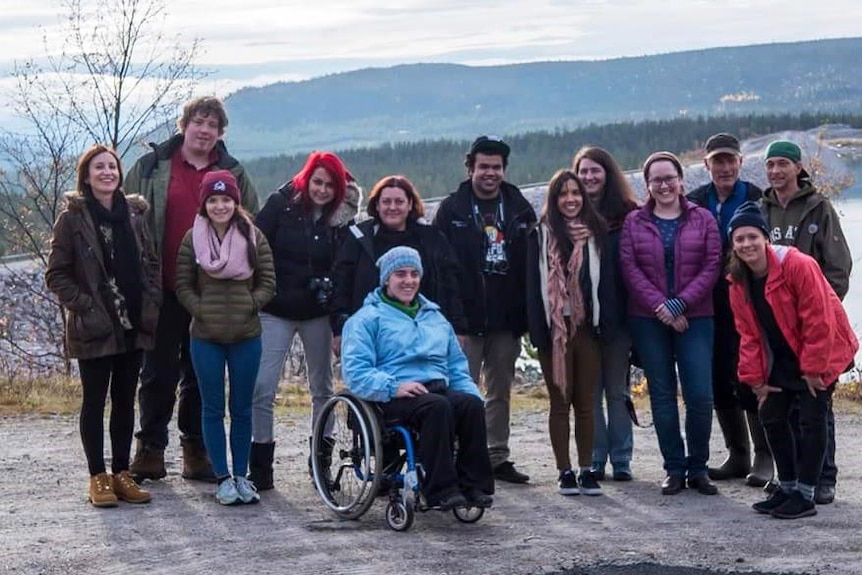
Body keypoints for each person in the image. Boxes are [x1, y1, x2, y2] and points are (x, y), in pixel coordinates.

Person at [127, 96, 259, 482]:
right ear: (184, 125)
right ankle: (150, 448)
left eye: (212, 125)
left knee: (203, 373)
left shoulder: (232, 171)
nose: (205, 130)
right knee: (157, 373)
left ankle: (195, 449)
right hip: (162, 287)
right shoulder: (152, 167)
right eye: (199, 122)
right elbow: (124, 215)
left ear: (220, 132)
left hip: (215, 293)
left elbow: (252, 224)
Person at [46, 145, 161, 507]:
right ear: (87, 175)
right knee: (95, 401)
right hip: (95, 325)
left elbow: (152, 263)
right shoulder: (73, 219)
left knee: (126, 400)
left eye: (112, 166)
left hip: (133, 321)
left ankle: (122, 473)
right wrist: (84, 306)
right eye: (99, 167)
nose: (107, 172)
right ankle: (97, 476)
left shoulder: (135, 215)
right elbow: (56, 274)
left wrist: (151, 301)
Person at [726, 201, 857, 519]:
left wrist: (814, 371)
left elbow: (819, 321)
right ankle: (786, 486)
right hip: (781, 354)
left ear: (765, 237)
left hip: (821, 350)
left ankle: (806, 494)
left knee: (812, 419)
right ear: (733, 244)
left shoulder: (798, 264)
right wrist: (756, 380)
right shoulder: (737, 280)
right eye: (739, 239)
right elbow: (749, 335)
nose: (746, 244)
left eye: (752, 237)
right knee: (771, 415)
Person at [341, 246, 494, 510]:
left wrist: (471, 392)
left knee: (470, 405)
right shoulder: (366, 319)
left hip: (436, 389)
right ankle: (441, 490)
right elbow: (356, 372)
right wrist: (393, 386)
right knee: (437, 407)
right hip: (390, 396)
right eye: (400, 274)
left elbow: (456, 368)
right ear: (386, 279)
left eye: (414, 274)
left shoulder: (435, 317)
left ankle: (473, 486)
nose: (408, 280)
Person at [250, 151, 359, 490]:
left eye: (330, 185)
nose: (323, 190)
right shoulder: (280, 205)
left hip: (317, 312)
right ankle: (261, 467)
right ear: (306, 178)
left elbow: (347, 266)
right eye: (318, 181)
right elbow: (253, 244)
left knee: (322, 389)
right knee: (262, 387)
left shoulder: (342, 218)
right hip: (276, 308)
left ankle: (320, 463)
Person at [433, 136, 537, 484]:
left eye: (496, 167)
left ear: (504, 170)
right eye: (483, 167)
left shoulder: (520, 209)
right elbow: (439, 269)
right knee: (461, 391)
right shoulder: (452, 210)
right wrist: (449, 316)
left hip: (506, 320)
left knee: (500, 391)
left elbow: (532, 267)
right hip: (463, 319)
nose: (490, 173)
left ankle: (496, 456)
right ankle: (458, 456)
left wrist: (526, 316)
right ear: (470, 168)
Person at [620, 151, 722, 496]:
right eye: (656, 179)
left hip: (696, 316)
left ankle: (699, 467)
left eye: (669, 178)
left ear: (681, 181)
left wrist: (680, 304)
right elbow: (629, 268)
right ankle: (674, 468)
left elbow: (712, 265)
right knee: (662, 395)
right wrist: (661, 307)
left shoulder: (703, 218)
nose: (663, 185)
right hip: (648, 319)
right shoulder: (634, 222)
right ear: (647, 184)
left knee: (699, 395)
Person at [174, 170, 275, 505]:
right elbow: (183, 284)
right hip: (206, 337)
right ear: (205, 204)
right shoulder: (193, 238)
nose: (220, 206)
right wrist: (199, 309)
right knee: (212, 407)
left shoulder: (253, 236)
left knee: (242, 408)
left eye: (226, 199)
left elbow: (268, 281)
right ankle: (222, 478)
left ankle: (243, 476)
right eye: (213, 200)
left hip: (246, 335)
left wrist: (252, 302)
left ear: (236, 201)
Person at [760, 140, 852, 505]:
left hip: (814, 324)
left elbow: (838, 267)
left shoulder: (819, 209)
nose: (775, 171)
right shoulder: (761, 210)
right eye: (770, 165)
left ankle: (823, 477)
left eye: (783, 164)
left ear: (798, 168)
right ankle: (794, 476)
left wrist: (821, 316)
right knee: (785, 404)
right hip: (777, 328)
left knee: (816, 401)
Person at [526, 170, 625, 496]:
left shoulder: (597, 234)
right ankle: (563, 470)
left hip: (586, 328)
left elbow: (607, 284)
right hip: (554, 331)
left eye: (575, 193)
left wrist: (604, 325)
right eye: (563, 194)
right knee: (559, 402)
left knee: (585, 402)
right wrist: (537, 331)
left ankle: (586, 469)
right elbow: (529, 287)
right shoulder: (539, 236)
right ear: (553, 201)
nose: (570, 200)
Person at [686, 133, 769, 487]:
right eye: (717, 161)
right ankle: (738, 454)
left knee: (752, 373)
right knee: (719, 375)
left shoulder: (755, 197)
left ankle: (765, 455)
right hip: (709, 303)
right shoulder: (694, 201)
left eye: (729, 160)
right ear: (706, 165)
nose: (724, 167)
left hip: (750, 298)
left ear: (740, 162)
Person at [331, 175, 465, 344]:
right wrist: (340, 329)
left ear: (410, 204)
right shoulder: (359, 238)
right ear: (377, 205)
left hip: (424, 333)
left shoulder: (431, 238)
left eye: (399, 202)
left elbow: (450, 284)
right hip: (370, 334)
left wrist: (458, 327)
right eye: (386, 202)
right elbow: (342, 285)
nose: (392, 207)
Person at [573, 146, 639, 481]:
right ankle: (595, 457)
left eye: (595, 171)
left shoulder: (628, 215)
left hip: (619, 319)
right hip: (582, 322)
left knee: (617, 390)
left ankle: (622, 458)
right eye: (583, 172)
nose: (589, 177)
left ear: (608, 174)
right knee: (589, 392)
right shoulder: (569, 215)